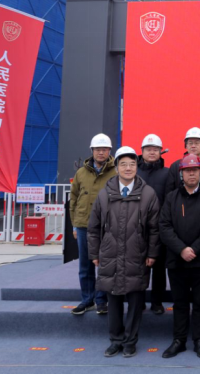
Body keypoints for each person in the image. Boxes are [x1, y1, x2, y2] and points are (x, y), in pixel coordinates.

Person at [88, 147, 161, 358]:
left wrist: (152, 253)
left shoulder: (148, 194)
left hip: (137, 255)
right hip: (110, 255)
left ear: (137, 167)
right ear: (116, 168)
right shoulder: (105, 194)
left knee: (136, 302)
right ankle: (115, 340)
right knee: (114, 302)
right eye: (123, 164)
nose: (128, 168)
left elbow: (155, 229)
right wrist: (94, 254)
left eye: (132, 164)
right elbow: (93, 228)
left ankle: (130, 341)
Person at [159, 154, 200, 360]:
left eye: (195, 170)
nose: (191, 174)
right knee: (180, 303)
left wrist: (193, 249)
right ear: (181, 174)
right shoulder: (171, 198)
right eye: (187, 171)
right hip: (177, 260)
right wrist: (181, 249)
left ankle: (199, 340)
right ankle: (179, 340)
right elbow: (164, 226)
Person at [70, 133, 116, 316]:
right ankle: (87, 300)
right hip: (84, 226)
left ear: (109, 151)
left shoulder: (116, 172)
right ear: (92, 151)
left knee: (105, 265)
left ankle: (101, 300)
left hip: (107, 227)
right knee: (85, 265)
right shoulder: (81, 173)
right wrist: (75, 225)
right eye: (98, 149)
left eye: (104, 149)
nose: (101, 152)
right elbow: (74, 199)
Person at [137, 134, 170, 315]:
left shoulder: (167, 173)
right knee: (139, 267)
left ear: (160, 152)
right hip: (137, 228)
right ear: (142, 152)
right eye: (148, 149)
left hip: (160, 228)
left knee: (158, 268)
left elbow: (170, 200)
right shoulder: (134, 172)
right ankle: (139, 300)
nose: (152, 152)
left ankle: (157, 302)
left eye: (155, 149)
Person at [164, 127, 200, 199]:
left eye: (197, 143)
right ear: (186, 145)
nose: (193, 146)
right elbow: (169, 193)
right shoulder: (175, 166)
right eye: (190, 143)